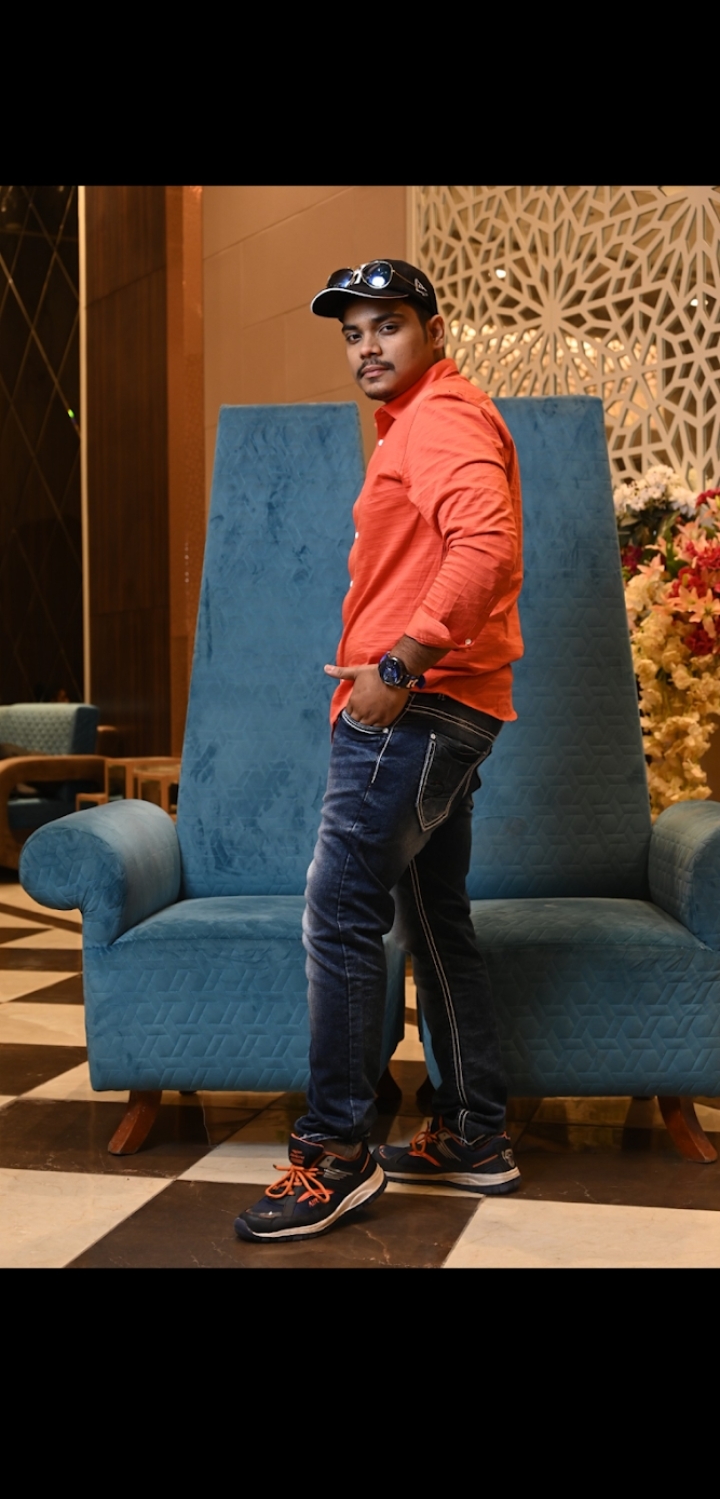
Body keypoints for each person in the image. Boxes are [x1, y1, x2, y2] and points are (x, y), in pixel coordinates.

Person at [235, 259, 524, 1243]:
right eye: (353, 331)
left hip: (417, 709)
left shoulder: (439, 417)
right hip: (456, 707)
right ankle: (473, 1131)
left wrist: (397, 665)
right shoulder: (424, 420)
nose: (367, 345)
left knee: (339, 910)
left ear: (434, 331)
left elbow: (485, 548)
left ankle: (336, 1154)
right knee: (434, 919)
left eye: (387, 324)